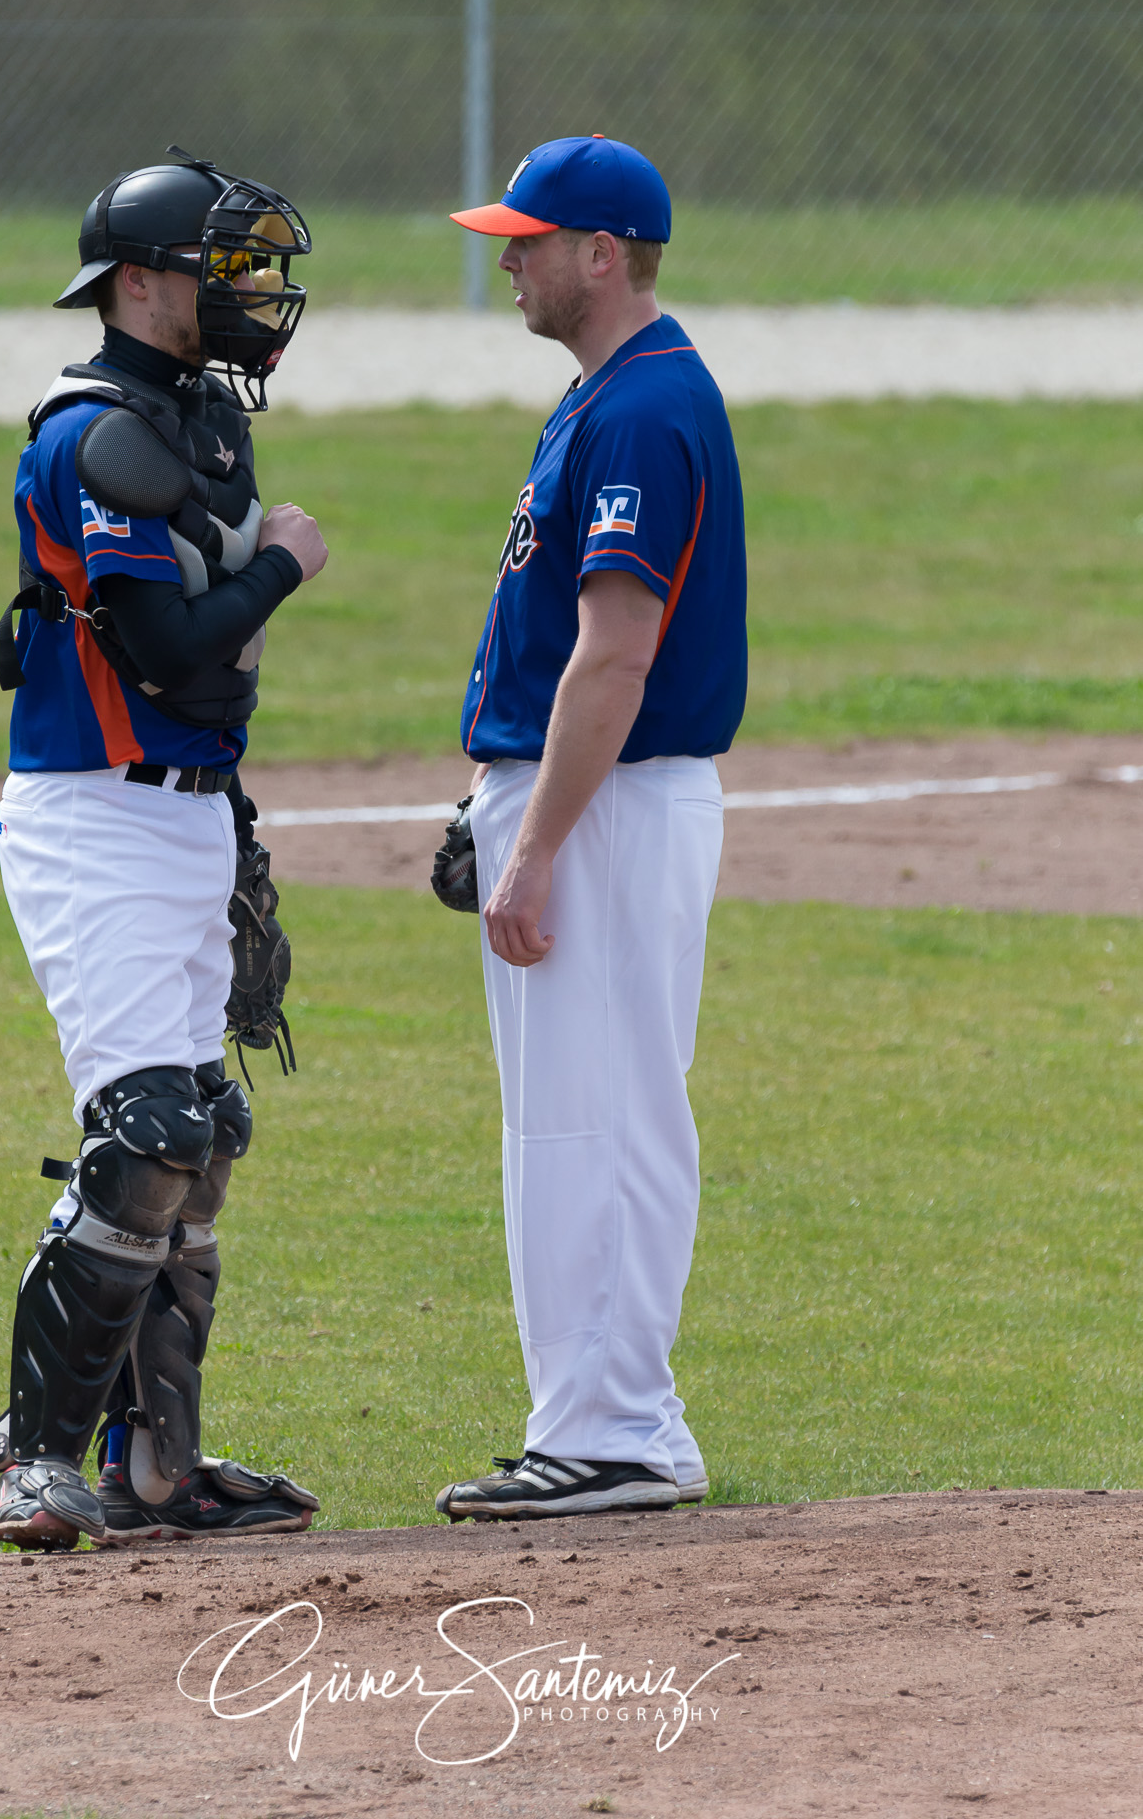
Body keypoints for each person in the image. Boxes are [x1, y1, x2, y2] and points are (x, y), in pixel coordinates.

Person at [0, 149, 327, 1549]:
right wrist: (285, 566)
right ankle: (40, 1462)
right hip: (93, 815)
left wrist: (232, 831)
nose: (252, 290)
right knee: (148, 1137)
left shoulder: (196, 423)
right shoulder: (92, 434)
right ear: (137, 283)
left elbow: (209, 684)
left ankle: (158, 1474)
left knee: (208, 1136)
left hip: (181, 809)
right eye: (224, 265)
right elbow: (171, 645)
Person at [434, 135, 747, 1521]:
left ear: (600, 254)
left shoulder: (639, 410)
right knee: (566, 1118)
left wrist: (535, 840)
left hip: (612, 803)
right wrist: (496, 800)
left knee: (601, 1115)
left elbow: (612, 656)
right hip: (586, 793)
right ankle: (590, 1421)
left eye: (527, 240)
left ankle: (620, 1428)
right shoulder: (606, 395)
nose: (506, 260)